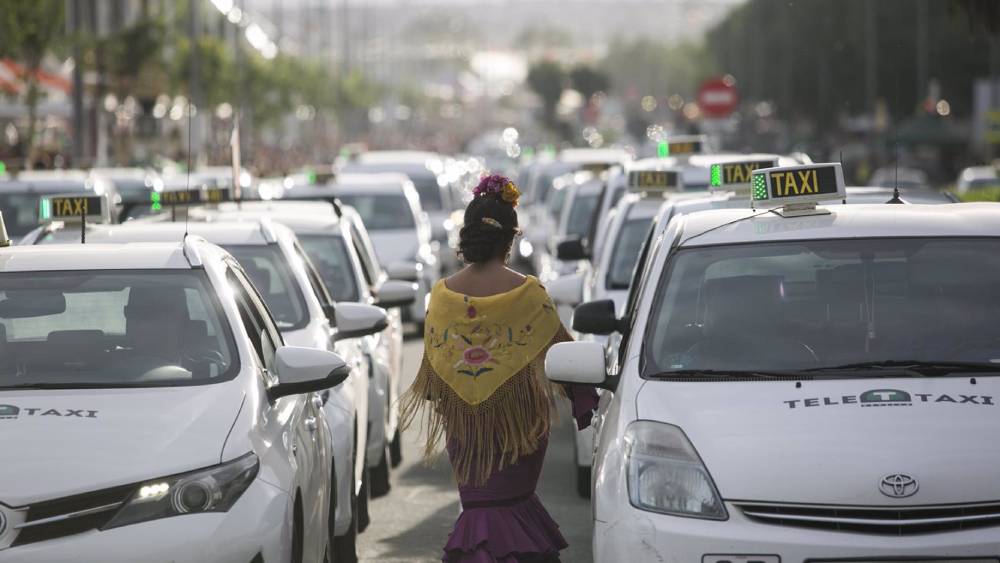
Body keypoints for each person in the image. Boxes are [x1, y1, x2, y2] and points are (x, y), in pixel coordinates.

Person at [400, 174, 599, 563]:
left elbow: (434, 380)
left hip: (465, 433)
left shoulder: (441, 296)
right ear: (509, 241)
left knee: (479, 508)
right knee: (514, 505)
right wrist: (584, 399)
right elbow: (565, 356)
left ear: (468, 237)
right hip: (520, 428)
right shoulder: (529, 293)